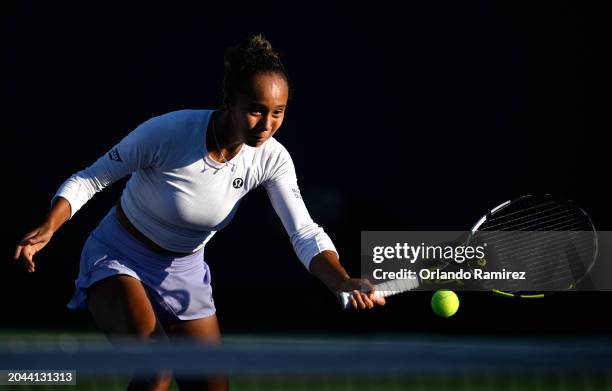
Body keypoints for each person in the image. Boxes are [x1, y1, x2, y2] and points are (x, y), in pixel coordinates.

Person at [13, 34, 385, 391]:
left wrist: (341, 279)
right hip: (119, 255)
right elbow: (90, 179)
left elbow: (303, 232)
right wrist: (50, 225)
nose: (266, 124)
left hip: (185, 272)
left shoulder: (273, 159)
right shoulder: (168, 132)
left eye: (278, 112)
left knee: (212, 385)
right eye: (256, 110)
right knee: (155, 369)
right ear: (230, 101)